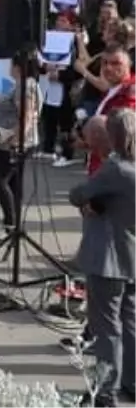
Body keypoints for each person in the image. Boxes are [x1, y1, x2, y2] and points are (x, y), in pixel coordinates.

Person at [69, 109, 136, 407]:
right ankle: (131, 381)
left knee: (107, 328)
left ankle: (105, 392)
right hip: (132, 255)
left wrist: (93, 202)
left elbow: (78, 193)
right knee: (130, 320)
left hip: (109, 259)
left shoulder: (116, 169)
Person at [0, 51, 43, 240]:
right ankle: (12, 220)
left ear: (18, 66)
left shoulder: (26, 86)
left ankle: (10, 225)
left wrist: (15, 141)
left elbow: (27, 116)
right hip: (14, 140)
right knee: (14, 183)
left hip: (13, 142)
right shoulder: (22, 85)